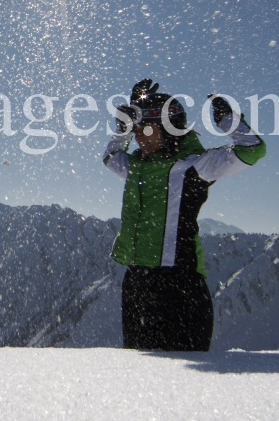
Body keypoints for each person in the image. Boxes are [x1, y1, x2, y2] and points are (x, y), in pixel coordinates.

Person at [102, 79, 265, 351]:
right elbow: (110, 156)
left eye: (146, 129)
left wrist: (228, 120)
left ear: (169, 129)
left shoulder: (195, 166)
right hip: (136, 282)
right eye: (136, 130)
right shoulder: (136, 167)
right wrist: (125, 126)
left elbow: (253, 148)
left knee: (184, 382)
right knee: (138, 374)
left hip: (179, 285)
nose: (139, 136)